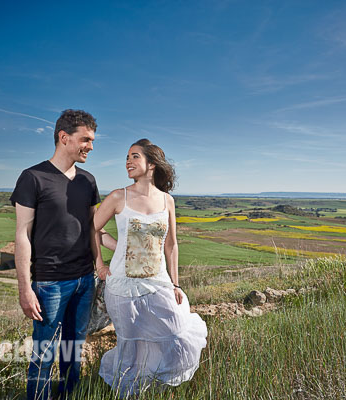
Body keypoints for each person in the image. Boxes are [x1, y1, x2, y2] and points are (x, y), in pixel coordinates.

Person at [11, 109, 116, 400]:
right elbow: (22, 235)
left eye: (92, 140)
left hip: (85, 281)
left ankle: (70, 396)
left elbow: (92, 230)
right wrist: (25, 288)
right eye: (86, 139)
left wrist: (105, 261)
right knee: (43, 356)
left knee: (74, 353)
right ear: (63, 137)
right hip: (49, 284)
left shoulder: (88, 181)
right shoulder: (32, 178)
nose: (90, 147)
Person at [93, 138, 207, 397]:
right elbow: (93, 229)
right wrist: (100, 262)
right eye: (127, 158)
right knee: (131, 346)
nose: (128, 162)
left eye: (134, 157)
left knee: (176, 332)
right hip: (122, 287)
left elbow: (171, 245)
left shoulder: (167, 201)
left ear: (152, 164)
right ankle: (131, 392)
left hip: (159, 283)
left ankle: (156, 383)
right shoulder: (117, 197)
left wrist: (176, 284)